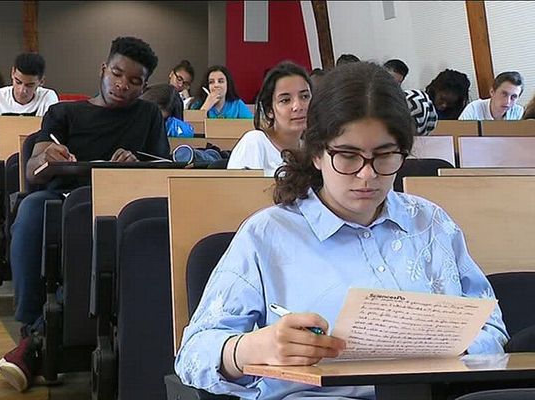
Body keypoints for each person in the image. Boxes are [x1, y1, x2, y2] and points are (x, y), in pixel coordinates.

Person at [175, 62, 508, 399]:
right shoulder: (267, 235)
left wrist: (457, 346)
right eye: (348, 156)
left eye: (385, 155)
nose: (367, 175)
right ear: (318, 153)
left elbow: (491, 324)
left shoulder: (431, 224)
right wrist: (249, 348)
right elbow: (192, 355)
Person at [0, 36, 169, 392]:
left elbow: (164, 169)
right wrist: (47, 157)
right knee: (30, 207)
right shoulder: (65, 113)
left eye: (135, 81)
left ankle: (36, 344)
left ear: (145, 85)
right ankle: (32, 326)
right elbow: (32, 168)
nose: (122, 85)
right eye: (117, 74)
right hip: (65, 199)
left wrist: (137, 164)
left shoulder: (149, 115)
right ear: (103, 70)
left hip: (125, 206)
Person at [227, 61, 312, 176]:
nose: (298, 106)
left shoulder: (314, 150)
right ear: (269, 110)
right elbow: (240, 192)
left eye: (305, 96)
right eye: (285, 100)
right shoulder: (255, 142)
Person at [0, 52, 58, 142]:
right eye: (18, 82)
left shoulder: (48, 97)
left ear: (41, 81)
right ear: (12, 73)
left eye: (29, 85)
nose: (21, 91)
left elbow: (53, 139)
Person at [459, 71, 524, 120]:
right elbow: (459, 134)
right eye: (504, 94)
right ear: (492, 92)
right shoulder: (474, 108)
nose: (507, 101)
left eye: (514, 97)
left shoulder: (518, 112)